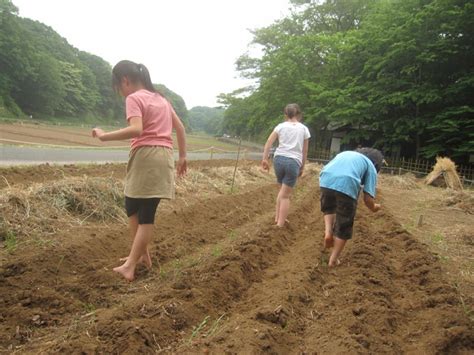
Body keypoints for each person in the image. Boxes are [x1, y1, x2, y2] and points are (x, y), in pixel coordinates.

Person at [92, 60, 187, 281]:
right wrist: (182, 156)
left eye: (118, 86)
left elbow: (137, 129)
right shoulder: (161, 98)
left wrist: (105, 136)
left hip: (146, 155)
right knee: (132, 205)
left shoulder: (133, 98)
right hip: (163, 156)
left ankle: (130, 266)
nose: (120, 92)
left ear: (125, 80)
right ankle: (141, 256)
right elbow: (180, 128)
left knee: (145, 214)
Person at [319, 147, 383, 267]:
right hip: (347, 183)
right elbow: (368, 199)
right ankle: (333, 259)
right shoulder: (370, 166)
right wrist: (375, 208)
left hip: (325, 179)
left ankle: (328, 231)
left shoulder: (346, 153)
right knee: (344, 223)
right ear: (376, 164)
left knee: (329, 208)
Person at [262, 104, 311, 227]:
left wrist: (265, 159)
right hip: (293, 162)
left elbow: (268, 142)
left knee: (281, 191)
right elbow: (304, 151)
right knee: (285, 196)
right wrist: (302, 166)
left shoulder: (280, 127)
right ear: (299, 115)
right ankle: (280, 224)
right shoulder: (304, 129)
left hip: (278, 160)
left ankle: (278, 218)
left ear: (285, 115)